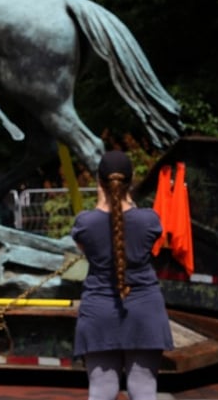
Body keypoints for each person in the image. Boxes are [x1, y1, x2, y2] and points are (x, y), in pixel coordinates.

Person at [71, 150, 173, 400]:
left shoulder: (85, 223)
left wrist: (102, 203)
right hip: (145, 308)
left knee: (101, 389)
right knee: (144, 387)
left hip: (99, 309)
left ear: (99, 182)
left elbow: (87, 248)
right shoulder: (150, 220)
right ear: (131, 181)